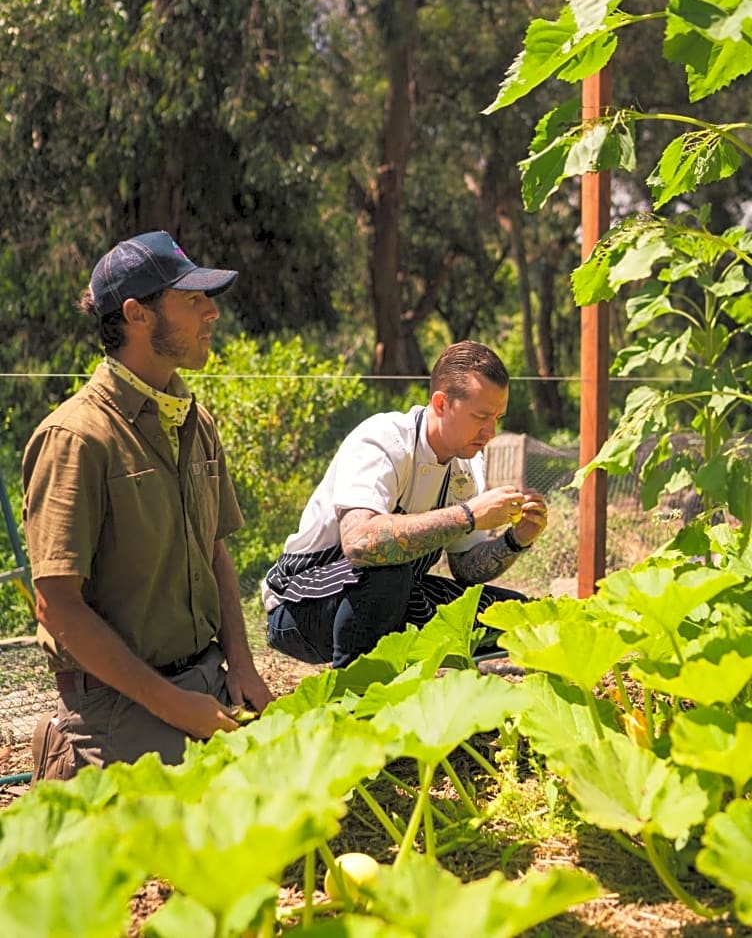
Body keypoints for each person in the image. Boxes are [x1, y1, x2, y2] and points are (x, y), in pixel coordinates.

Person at [23, 230, 274, 782]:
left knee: (306, 790)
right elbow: (57, 608)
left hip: (205, 677)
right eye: (192, 299)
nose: (211, 313)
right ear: (136, 314)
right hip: (120, 699)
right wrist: (173, 706)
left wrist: (243, 665)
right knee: (229, 826)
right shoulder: (75, 437)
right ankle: (69, 749)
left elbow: (215, 550)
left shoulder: (193, 419)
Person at [263, 340, 548, 669]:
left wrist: (516, 539)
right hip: (300, 604)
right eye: (481, 416)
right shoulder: (384, 441)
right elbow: (360, 543)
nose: (491, 431)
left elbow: (466, 570)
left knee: (517, 618)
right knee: (388, 573)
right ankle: (357, 702)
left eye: (497, 417)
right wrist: (468, 516)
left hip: (395, 592)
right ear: (441, 403)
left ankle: (446, 691)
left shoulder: (468, 466)